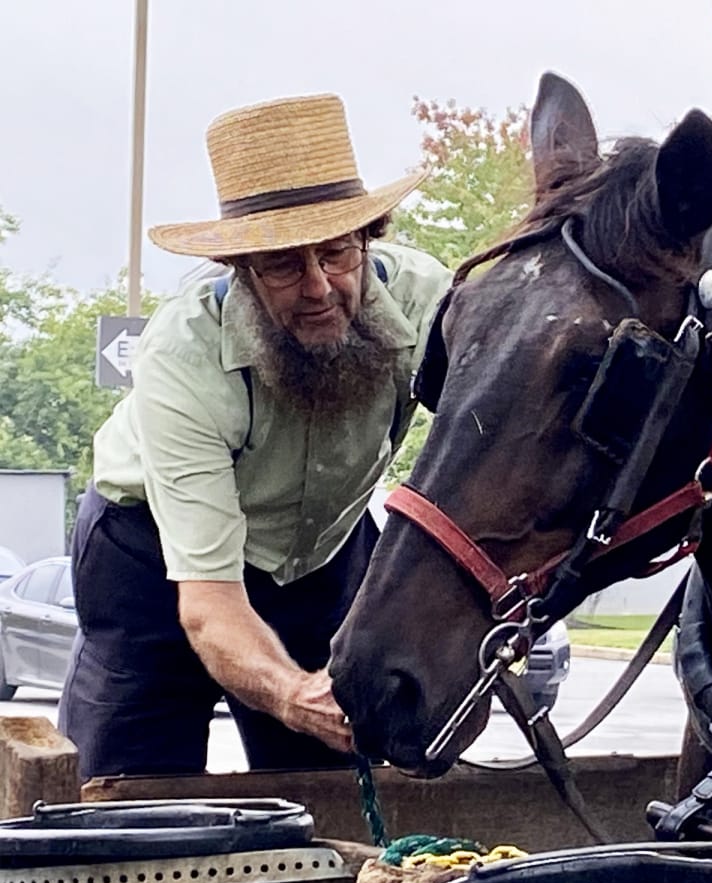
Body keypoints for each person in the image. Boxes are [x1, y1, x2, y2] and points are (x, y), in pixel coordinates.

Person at [59, 94, 451, 779]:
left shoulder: (429, 303)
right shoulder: (184, 354)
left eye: (335, 253)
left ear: (369, 238)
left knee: (327, 791)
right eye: (282, 266)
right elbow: (210, 607)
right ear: (241, 270)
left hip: (320, 555)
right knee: (127, 807)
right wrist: (294, 695)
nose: (320, 288)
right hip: (150, 560)